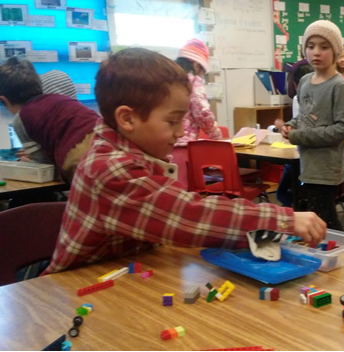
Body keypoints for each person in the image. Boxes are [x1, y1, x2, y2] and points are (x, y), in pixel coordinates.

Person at [41, 48, 326, 274]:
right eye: (173, 121)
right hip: (73, 292)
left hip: (120, 276)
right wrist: (281, 218)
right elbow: (190, 215)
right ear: (127, 118)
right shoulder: (109, 170)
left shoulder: (137, 154)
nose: (180, 132)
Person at [281, 20, 344, 231]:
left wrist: (298, 136)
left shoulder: (338, 86)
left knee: (325, 220)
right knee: (319, 216)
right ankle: (328, 252)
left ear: (336, 51)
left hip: (326, 166)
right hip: (308, 162)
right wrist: (290, 125)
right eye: (311, 46)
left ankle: (342, 254)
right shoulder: (304, 81)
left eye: (324, 46)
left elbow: (343, 128)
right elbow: (304, 116)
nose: (316, 52)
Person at [0, 57, 98, 183]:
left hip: (83, 164)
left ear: (4, 100)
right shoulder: (61, 99)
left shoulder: (20, 119)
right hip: (107, 142)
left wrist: (26, 162)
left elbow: (45, 166)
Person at [276, 63, 313, 207]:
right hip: (304, 154)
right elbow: (300, 119)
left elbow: (305, 127)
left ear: (295, 84)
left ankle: (300, 212)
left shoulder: (301, 98)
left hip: (307, 157)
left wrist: (289, 131)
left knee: (283, 192)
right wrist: (289, 125)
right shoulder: (305, 98)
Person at [174, 38, 221, 146]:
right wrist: (216, 135)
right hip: (185, 143)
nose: (201, 76)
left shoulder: (168, 79)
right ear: (195, 64)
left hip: (164, 143)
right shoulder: (193, 81)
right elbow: (202, 113)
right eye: (202, 72)